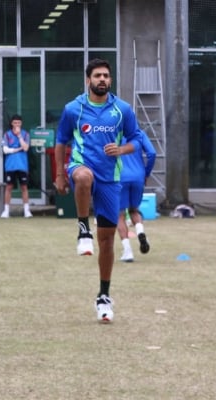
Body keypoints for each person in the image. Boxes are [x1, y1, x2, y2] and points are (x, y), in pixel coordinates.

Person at [54, 58, 139, 323]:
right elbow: (60, 140)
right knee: (83, 177)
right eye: (97, 75)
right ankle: (82, 228)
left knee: (107, 241)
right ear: (88, 80)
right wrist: (59, 174)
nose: (102, 79)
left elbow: (136, 139)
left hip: (110, 179)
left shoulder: (122, 109)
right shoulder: (73, 109)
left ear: (110, 80)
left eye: (106, 76)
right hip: (81, 167)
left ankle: (104, 296)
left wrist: (121, 149)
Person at [116, 130, 156, 262]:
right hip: (138, 176)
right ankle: (140, 232)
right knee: (134, 210)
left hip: (120, 177)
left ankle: (127, 252)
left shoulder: (111, 131)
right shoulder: (139, 133)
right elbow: (152, 153)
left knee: (119, 215)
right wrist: (146, 173)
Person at [0, 114, 33, 218]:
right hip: (10, 166)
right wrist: (17, 149)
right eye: (15, 123)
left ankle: (27, 211)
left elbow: (26, 148)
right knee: (9, 187)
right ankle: (6, 211)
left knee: (24, 187)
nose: (17, 125)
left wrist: (19, 136)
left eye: (18, 123)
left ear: (21, 123)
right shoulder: (7, 135)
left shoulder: (25, 134)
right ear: (11, 123)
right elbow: (5, 150)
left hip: (22, 165)